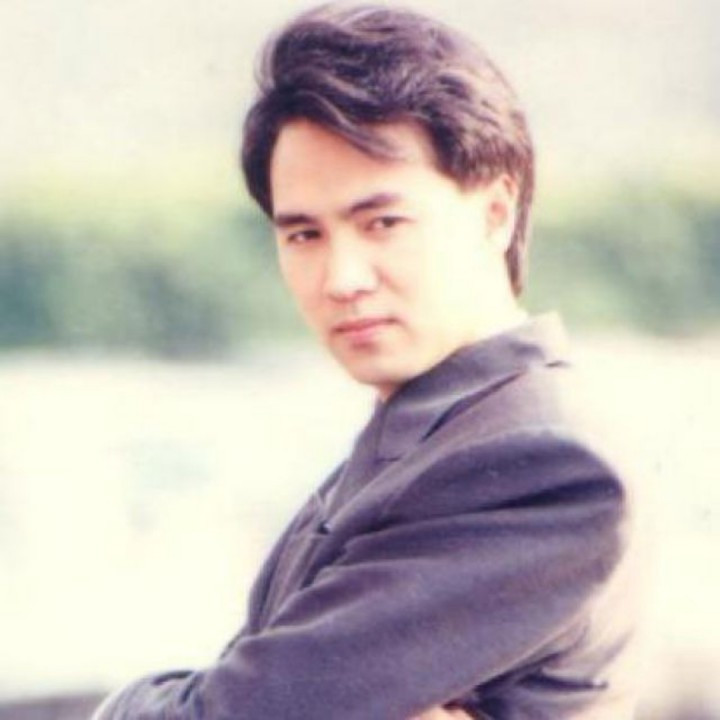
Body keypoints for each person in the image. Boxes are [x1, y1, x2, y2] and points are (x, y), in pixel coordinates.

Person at [92, 3, 642, 718]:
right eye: (304, 235)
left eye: (382, 222)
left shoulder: (541, 462)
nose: (342, 277)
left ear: (495, 213)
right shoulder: (435, 431)